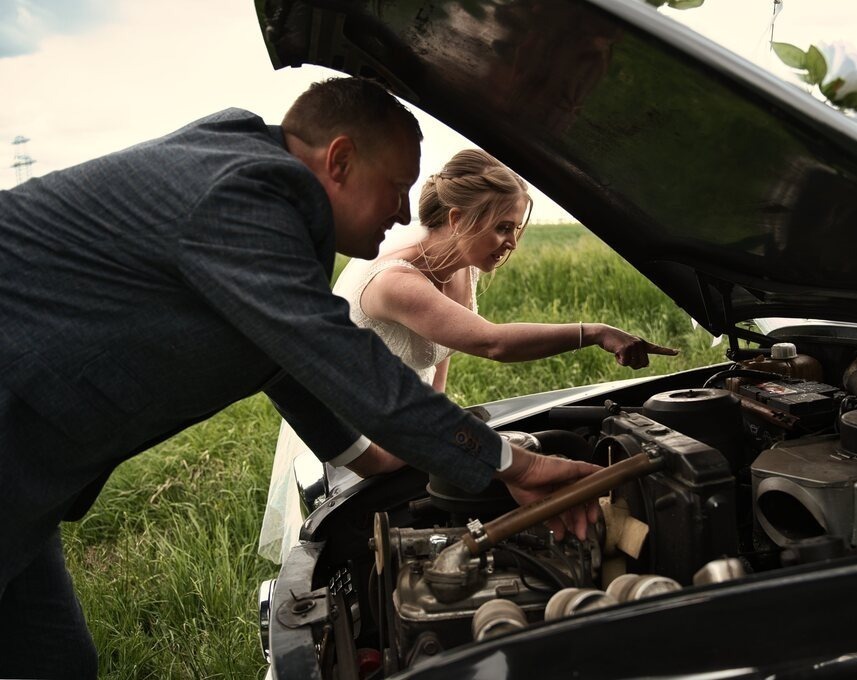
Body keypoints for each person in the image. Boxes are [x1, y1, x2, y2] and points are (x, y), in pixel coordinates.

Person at [0, 77, 601, 680]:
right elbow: (342, 359)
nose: (403, 211)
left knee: (57, 662)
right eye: (395, 188)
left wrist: (377, 457)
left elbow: (286, 362)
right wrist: (515, 467)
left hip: (30, 479)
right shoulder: (243, 197)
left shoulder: (270, 211)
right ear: (339, 160)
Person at [259, 148, 676, 564]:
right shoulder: (394, 281)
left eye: (516, 229)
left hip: (409, 418)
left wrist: (439, 416)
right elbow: (491, 342)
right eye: (502, 227)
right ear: (457, 219)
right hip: (362, 438)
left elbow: (443, 349)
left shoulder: (460, 265)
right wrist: (596, 332)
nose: (511, 242)